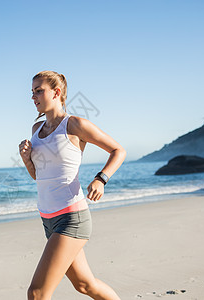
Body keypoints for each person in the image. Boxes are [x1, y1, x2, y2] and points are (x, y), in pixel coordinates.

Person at [19, 70, 126, 300]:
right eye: (32, 92)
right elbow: (40, 177)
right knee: (86, 285)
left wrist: (101, 178)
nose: (33, 97)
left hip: (71, 218)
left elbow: (118, 150)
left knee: (37, 293)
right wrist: (27, 159)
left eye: (39, 91)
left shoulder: (75, 124)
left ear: (56, 92)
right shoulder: (35, 131)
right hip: (48, 218)